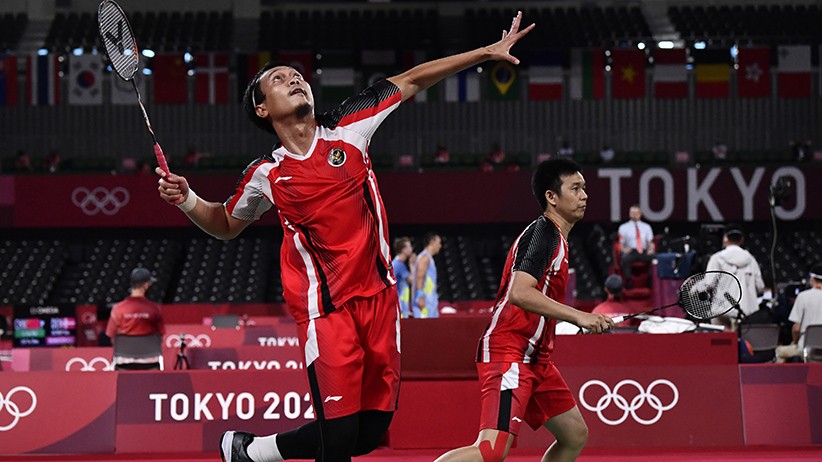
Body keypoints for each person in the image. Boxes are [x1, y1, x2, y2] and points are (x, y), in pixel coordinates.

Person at [155, 11, 534, 462]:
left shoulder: (350, 127)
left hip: (380, 299)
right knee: (336, 440)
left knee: (371, 432)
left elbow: (412, 80)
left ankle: (254, 452)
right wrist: (186, 199)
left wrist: (485, 53)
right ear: (261, 107)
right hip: (325, 310)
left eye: (297, 75)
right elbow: (224, 224)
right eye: (279, 79)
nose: (295, 79)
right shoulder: (267, 174)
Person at [436, 159, 614, 462]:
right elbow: (520, 292)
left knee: (573, 435)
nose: (584, 195)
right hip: (510, 352)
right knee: (491, 451)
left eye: (584, 188)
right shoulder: (542, 234)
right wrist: (580, 315)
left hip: (537, 359)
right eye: (575, 188)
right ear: (551, 197)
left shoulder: (559, 239)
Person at [705, 226, 765, 330]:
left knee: (723, 344)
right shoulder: (751, 259)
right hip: (747, 313)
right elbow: (760, 288)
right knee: (743, 344)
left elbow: (709, 285)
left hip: (722, 312)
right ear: (741, 240)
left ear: (725, 238)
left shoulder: (717, 258)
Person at [105, 267, 165, 370]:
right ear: (146, 285)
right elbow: (161, 335)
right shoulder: (154, 309)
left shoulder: (117, 309)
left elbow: (111, 335)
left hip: (123, 362)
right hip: (150, 362)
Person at [776, 264, 822, 362]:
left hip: (806, 348)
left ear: (812, 279)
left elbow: (796, 329)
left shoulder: (803, 297)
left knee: (779, 351)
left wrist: (794, 341)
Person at [617, 204, 655, 287]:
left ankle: (650, 280)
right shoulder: (623, 227)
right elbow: (620, 245)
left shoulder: (647, 227)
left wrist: (651, 249)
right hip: (631, 251)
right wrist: (624, 250)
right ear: (629, 214)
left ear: (640, 214)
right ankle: (628, 280)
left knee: (654, 259)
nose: (634, 214)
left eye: (636, 212)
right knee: (624, 259)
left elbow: (650, 242)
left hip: (643, 251)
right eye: (632, 212)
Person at [414, 232, 442, 318]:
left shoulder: (428, 258)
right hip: (425, 303)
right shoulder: (425, 258)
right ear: (432, 242)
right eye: (439, 242)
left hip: (430, 302)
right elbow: (419, 277)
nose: (440, 246)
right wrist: (420, 296)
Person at [391, 237, 415, 318]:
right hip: (399, 305)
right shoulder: (398, 265)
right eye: (409, 246)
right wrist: (412, 264)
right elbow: (413, 280)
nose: (411, 248)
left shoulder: (398, 263)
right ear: (403, 250)